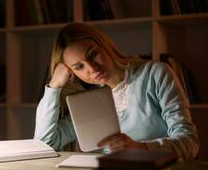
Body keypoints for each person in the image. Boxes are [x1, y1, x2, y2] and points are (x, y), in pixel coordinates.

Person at [34, 22, 199, 160]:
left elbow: (190, 143)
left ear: (104, 45)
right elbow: (45, 144)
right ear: (72, 73)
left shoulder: (154, 74)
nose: (92, 68)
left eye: (93, 54)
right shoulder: (88, 102)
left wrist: (143, 148)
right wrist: (53, 87)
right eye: (80, 67)